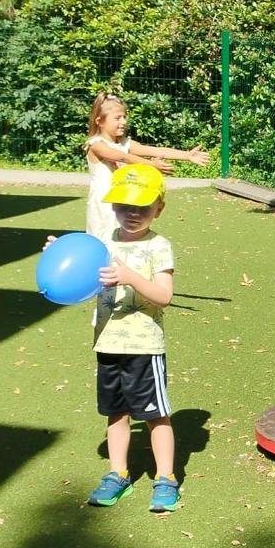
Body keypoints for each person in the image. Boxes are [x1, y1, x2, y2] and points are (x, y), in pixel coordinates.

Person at [85, 162, 183, 513]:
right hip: (108, 343)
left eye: (142, 206)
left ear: (159, 208)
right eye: (124, 205)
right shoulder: (103, 241)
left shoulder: (159, 246)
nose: (132, 213)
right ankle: (118, 474)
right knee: (116, 414)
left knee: (156, 415)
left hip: (144, 346)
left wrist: (130, 277)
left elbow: (164, 296)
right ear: (113, 205)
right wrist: (59, 250)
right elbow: (80, 270)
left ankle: (166, 478)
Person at [84, 91, 210, 242]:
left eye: (124, 117)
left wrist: (187, 155)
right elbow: (123, 157)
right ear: (99, 121)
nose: (123, 122)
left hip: (124, 200)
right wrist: (152, 164)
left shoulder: (124, 143)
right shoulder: (96, 145)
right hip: (103, 201)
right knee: (102, 238)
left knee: (124, 238)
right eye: (117, 118)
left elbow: (155, 150)